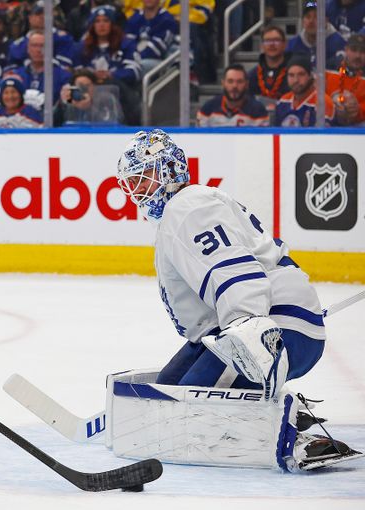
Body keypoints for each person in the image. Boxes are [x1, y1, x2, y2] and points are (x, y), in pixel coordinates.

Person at [113, 128, 357, 470]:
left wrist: (249, 328)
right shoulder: (184, 208)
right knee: (164, 400)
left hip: (270, 327)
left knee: (183, 419)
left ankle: (291, 432)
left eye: (143, 178)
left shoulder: (186, 207)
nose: (136, 191)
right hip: (246, 325)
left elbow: (234, 271)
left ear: (169, 171)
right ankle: (272, 404)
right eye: (132, 183)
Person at [196, 64, 269, 127]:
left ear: (246, 84)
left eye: (239, 81)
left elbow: (262, 141)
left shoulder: (258, 111)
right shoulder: (208, 108)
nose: (234, 86)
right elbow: (198, 138)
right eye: (230, 81)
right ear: (223, 83)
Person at [273, 55, 335, 127]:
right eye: (291, 75)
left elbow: (322, 136)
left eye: (301, 74)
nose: (296, 80)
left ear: (310, 76)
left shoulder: (322, 102)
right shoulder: (283, 101)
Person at [124, 0, 178, 75]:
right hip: (135, 57)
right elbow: (127, 42)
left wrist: (135, 58)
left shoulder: (166, 19)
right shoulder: (135, 17)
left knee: (136, 67)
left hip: (159, 61)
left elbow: (156, 49)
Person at [54, 68, 124, 125]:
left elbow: (113, 123)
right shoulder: (69, 101)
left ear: (94, 86)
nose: (84, 89)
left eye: (87, 85)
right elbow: (53, 123)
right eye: (80, 86)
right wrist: (62, 102)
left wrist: (89, 108)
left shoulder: (107, 99)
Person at [287, 1, 346, 67]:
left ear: (325, 21)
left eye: (316, 17)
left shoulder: (338, 43)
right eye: (308, 17)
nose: (311, 21)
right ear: (303, 22)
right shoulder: (293, 44)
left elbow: (343, 71)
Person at [325, 33, 365, 125]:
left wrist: (358, 110)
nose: (358, 56)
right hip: (329, 122)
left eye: (363, 51)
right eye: (354, 50)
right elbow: (316, 94)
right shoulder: (330, 67)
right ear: (346, 50)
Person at [247, 26, 292, 106]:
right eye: (267, 41)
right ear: (261, 46)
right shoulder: (252, 76)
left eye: (276, 40)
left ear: (284, 44)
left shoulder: (294, 73)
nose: (272, 44)